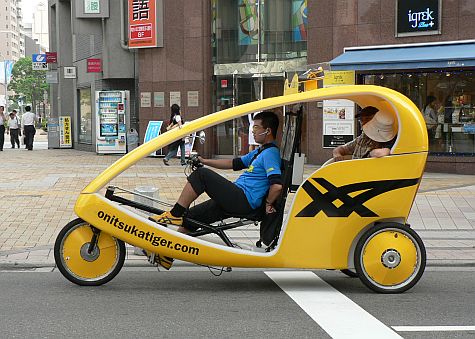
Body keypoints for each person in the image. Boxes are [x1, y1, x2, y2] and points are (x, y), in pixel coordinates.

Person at [149, 111, 283, 269]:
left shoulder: (271, 154)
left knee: (202, 176)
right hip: (237, 195)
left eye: (256, 127)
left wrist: (268, 203)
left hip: (244, 200)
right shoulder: (260, 151)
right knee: (192, 217)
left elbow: (277, 185)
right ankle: (168, 254)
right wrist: (204, 161)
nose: (252, 131)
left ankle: (175, 214)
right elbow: (233, 163)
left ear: (267, 131)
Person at [332, 106, 397, 161]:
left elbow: (385, 152)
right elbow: (343, 149)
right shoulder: (362, 138)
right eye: (361, 120)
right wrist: (337, 154)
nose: (363, 123)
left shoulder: (386, 137)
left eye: (367, 119)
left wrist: (373, 153)